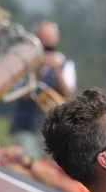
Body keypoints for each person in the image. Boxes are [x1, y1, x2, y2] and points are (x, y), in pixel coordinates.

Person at [10, 21, 77, 159]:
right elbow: (20, 94)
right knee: (26, 163)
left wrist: (57, 71)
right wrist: (36, 72)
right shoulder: (24, 63)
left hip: (53, 131)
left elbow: (68, 95)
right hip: (26, 127)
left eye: (49, 44)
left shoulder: (65, 63)